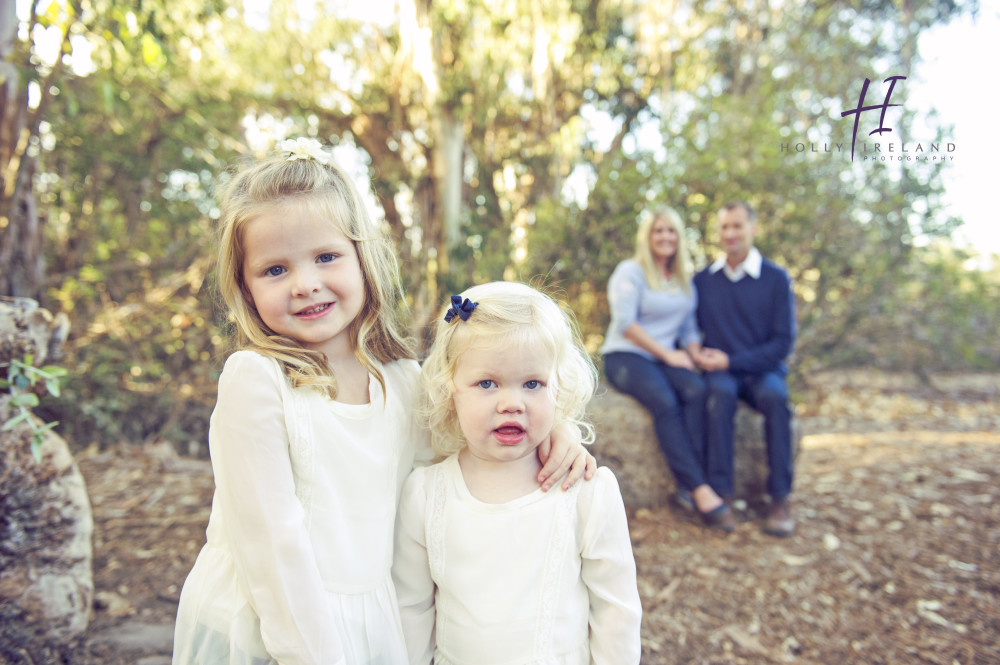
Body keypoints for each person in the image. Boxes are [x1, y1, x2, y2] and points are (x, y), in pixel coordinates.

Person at [171, 140, 595, 665]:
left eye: (326, 257)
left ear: (362, 258)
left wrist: (560, 431)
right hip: (273, 625)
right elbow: (270, 546)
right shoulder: (257, 381)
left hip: (373, 622)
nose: (305, 284)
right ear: (245, 285)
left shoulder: (402, 380)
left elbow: (466, 453)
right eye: (274, 270)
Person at [393, 282, 643, 665]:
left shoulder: (585, 491)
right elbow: (412, 609)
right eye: (487, 383)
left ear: (558, 390)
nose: (512, 403)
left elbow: (616, 611)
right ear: (450, 391)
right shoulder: (425, 494)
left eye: (532, 384)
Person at [601, 207, 734, 532]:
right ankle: (698, 488)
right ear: (647, 237)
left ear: (679, 237)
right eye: (658, 231)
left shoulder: (683, 280)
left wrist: (695, 355)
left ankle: (689, 485)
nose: (665, 237)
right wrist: (668, 355)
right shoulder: (630, 271)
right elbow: (626, 324)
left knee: (697, 389)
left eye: (671, 231)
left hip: (663, 357)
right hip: (625, 355)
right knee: (664, 400)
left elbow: (687, 329)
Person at [692, 201, 797, 537]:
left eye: (737, 226)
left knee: (776, 399)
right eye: (724, 227)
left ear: (753, 229)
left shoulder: (776, 278)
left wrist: (732, 361)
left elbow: (782, 343)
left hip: (762, 370)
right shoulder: (704, 280)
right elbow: (690, 330)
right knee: (718, 395)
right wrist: (699, 355)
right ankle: (722, 492)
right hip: (722, 373)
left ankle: (780, 497)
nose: (730, 234)